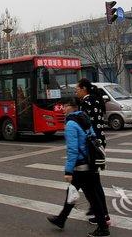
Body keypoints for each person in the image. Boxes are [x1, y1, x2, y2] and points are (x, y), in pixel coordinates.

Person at [46, 98, 110, 237]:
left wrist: (68, 171)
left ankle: (103, 229)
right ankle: (61, 219)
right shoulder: (84, 118)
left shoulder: (70, 124)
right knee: (73, 191)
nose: (62, 109)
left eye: (64, 106)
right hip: (91, 163)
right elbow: (93, 137)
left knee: (92, 198)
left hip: (81, 167)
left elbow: (73, 150)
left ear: (71, 107)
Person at [76, 78, 110, 226]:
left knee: (93, 184)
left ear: (84, 88)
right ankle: (99, 212)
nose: (76, 91)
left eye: (77, 89)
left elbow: (85, 127)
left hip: (91, 147)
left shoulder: (86, 103)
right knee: (94, 181)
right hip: (99, 144)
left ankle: (102, 216)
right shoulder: (96, 100)